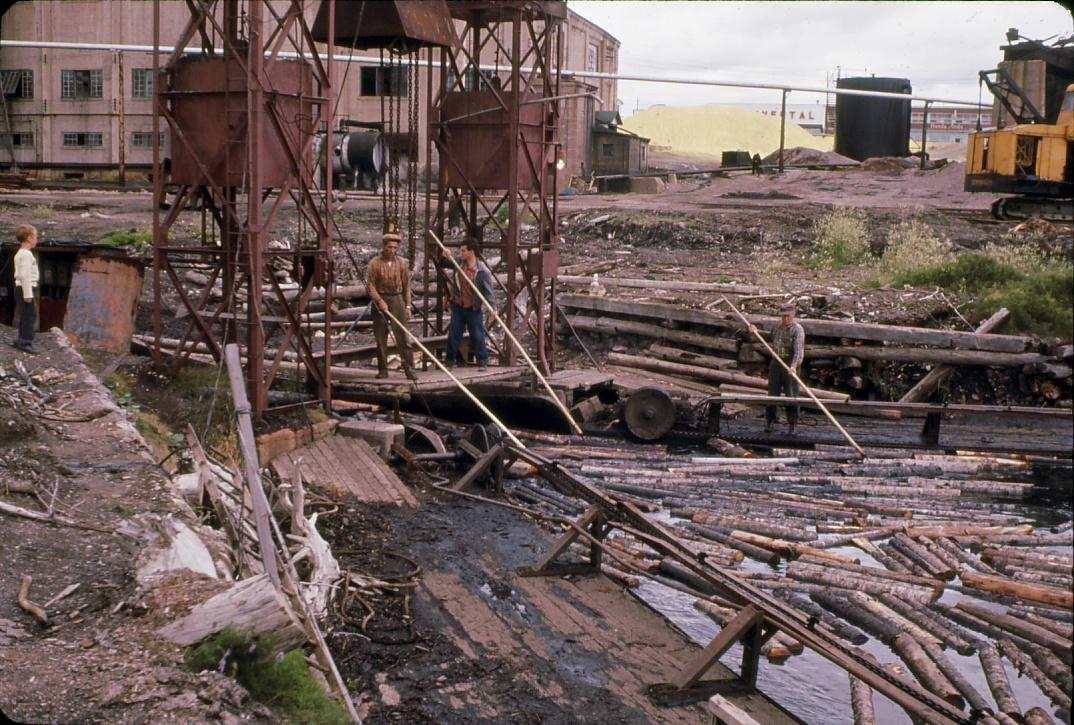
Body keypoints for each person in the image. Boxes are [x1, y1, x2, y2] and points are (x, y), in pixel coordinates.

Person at [439, 238, 493, 370]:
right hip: (458, 306)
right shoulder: (458, 264)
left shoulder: (482, 272)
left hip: (473, 308)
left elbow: (488, 291)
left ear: (471, 251)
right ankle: (450, 362)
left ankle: (482, 361)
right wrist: (443, 255)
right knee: (453, 334)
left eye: (463, 251)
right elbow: (443, 263)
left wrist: (493, 307)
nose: (461, 253)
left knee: (477, 335)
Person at [367, 231, 413, 379]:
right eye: (389, 247)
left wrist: (407, 306)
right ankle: (383, 369)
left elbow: (406, 285)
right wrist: (379, 301)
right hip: (380, 299)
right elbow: (370, 286)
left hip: (397, 299)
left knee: (403, 337)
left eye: (395, 247)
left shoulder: (401, 263)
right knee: (381, 337)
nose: (392, 250)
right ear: (384, 247)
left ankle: (409, 369)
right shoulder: (375, 263)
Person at [766, 301, 805, 434]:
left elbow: (799, 352)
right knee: (772, 393)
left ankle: (792, 424)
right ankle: (770, 421)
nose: (785, 318)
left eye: (788, 316)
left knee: (792, 394)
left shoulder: (797, 330)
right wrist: (754, 331)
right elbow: (768, 336)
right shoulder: (777, 326)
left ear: (793, 314)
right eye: (783, 316)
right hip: (776, 362)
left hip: (790, 363)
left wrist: (794, 366)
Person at [12, 224, 39, 354]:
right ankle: (25, 341)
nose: (36, 240)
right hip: (25, 288)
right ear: (29, 238)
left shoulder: (20, 253)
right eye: (35, 237)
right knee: (30, 315)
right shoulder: (27, 254)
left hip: (21, 287)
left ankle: (21, 339)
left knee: (25, 314)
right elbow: (25, 275)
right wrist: (28, 294)